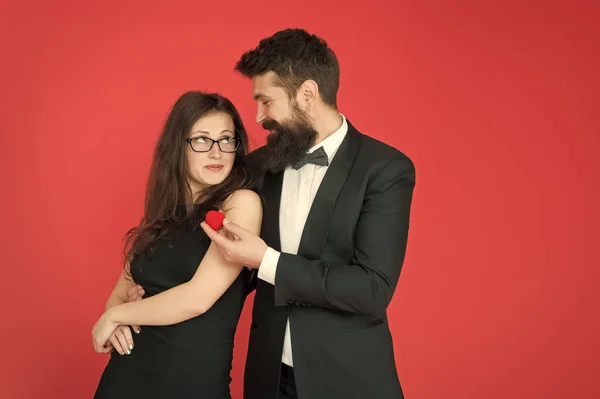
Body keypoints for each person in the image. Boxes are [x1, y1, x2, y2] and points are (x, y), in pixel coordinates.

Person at [200, 28, 416, 399]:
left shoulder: (386, 169)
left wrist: (266, 261)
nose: (257, 116)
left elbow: (371, 289)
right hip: (268, 379)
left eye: (266, 102)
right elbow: (209, 243)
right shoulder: (259, 165)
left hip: (349, 381)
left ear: (307, 94)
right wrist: (143, 290)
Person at [91, 91, 262, 399]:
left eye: (226, 139)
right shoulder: (161, 215)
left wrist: (114, 317)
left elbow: (197, 298)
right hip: (126, 377)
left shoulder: (239, 204)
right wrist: (116, 314)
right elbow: (120, 291)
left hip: (190, 384)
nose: (217, 152)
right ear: (178, 146)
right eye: (201, 140)